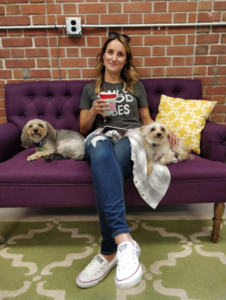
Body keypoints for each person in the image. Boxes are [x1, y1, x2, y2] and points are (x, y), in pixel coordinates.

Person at [76, 32, 177, 290]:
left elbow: (146, 120)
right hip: (100, 134)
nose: (115, 57)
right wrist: (94, 111)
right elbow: (84, 127)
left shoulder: (135, 87)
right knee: (99, 149)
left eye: (120, 54)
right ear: (103, 56)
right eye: (111, 52)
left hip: (129, 137)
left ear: (125, 60)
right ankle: (125, 242)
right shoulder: (91, 89)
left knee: (105, 170)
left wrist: (165, 130)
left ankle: (108, 251)